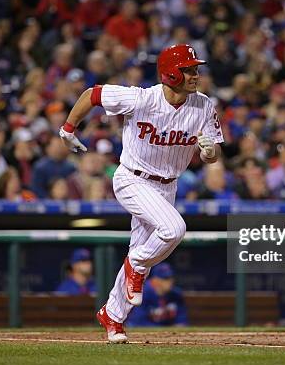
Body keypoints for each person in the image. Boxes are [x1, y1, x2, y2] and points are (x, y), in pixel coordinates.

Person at [59, 44, 223, 343]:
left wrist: (210, 152)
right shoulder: (142, 98)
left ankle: (113, 316)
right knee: (173, 230)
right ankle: (135, 266)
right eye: (189, 69)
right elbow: (92, 95)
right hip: (133, 179)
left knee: (142, 253)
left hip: (167, 186)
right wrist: (69, 129)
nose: (196, 74)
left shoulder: (204, 106)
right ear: (171, 73)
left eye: (195, 68)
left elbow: (213, 152)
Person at [126, 262, 188, 327]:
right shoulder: (142, 293)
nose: (170, 281)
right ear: (155, 280)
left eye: (171, 278)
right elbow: (137, 322)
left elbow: (182, 320)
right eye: (165, 278)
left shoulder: (176, 295)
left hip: (165, 333)